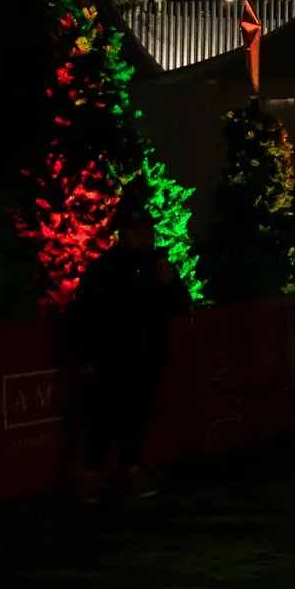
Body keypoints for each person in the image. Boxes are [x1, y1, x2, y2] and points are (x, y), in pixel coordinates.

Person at [65, 189, 185, 497]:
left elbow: (180, 305)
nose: (150, 237)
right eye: (143, 231)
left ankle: (130, 472)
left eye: (150, 231)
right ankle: (93, 477)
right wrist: (86, 357)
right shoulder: (105, 269)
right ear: (127, 233)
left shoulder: (157, 267)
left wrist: (171, 282)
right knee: (101, 420)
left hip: (145, 357)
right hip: (110, 358)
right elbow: (85, 314)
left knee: (137, 418)